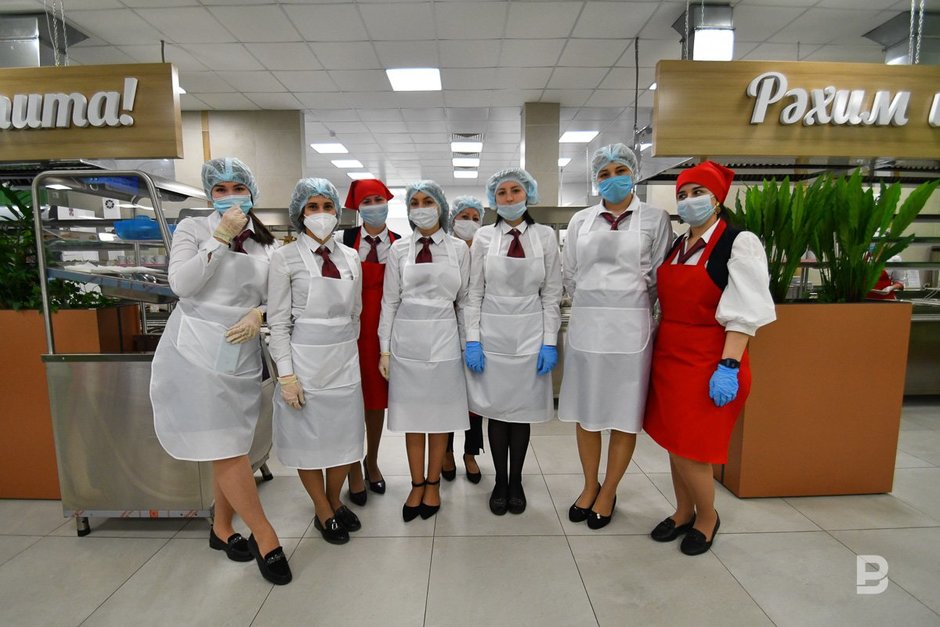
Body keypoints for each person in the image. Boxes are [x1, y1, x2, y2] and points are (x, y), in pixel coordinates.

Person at [151, 157, 291, 585]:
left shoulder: (267, 244)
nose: (230, 196)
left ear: (252, 192)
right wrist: (219, 237)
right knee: (225, 446)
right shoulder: (193, 229)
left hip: (239, 351)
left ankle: (222, 528)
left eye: (238, 188)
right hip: (196, 349)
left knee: (233, 444)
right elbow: (182, 285)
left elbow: (275, 298)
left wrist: (257, 314)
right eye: (221, 189)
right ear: (210, 194)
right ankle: (265, 536)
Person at [645, 161, 776, 556]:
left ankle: (707, 517)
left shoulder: (739, 242)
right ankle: (682, 511)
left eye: (697, 193)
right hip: (669, 359)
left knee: (693, 450)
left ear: (717, 199)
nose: (689, 201)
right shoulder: (678, 246)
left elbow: (744, 310)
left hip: (710, 360)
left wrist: (728, 366)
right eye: (682, 194)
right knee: (674, 444)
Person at [559, 143, 673, 530]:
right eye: (604, 174)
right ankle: (589, 485)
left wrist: (628, 305)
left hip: (631, 331)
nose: (612, 179)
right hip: (588, 327)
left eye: (620, 171)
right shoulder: (581, 221)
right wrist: (597, 302)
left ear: (634, 173)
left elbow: (658, 277)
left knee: (624, 415)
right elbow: (571, 274)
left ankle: (609, 490)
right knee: (587, 413)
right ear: (596, 180)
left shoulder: (655, 219)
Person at [267, 178, 364, 545]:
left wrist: (345, 347)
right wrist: (286, 376)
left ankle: (334, 499)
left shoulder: (350, 256)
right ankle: (323, 510)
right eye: (313, 207)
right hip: (304, 362)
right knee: (307, 441)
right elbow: (278, 322)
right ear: (300, 213)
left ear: (337, 212)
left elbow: (355, 312)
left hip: (344, 360)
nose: (321, 213)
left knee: (345, 438)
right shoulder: (285, 257)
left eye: (327, 206)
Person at [464, 172, 562, 515]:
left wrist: (549, 342)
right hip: (492, 335)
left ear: (527, 194)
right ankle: (500, 481)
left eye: (515, 191)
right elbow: (474, 293)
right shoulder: (483, 237)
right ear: (494, 199)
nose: (508, 198)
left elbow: (552, 293)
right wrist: (472, 341)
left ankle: (516, 480)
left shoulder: (545, 236)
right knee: (497, 412)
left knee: (521, 414)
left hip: (531, 334)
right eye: (502, 193)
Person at [378, 180, 471, 521]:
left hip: (445, 340)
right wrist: (384, 350)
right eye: (414, 202)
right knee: (413, 420)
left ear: (441, 206)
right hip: (407, 342)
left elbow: (465, 302)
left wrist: (469, 345)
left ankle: (433, 484)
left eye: (427, 201)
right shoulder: (399, 249)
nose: (421, 208)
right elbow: (389, 302)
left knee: (440, 418)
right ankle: (416, 484)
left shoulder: (459, 249)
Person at [340, 179, 400, 505]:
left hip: (385, 332)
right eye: (367, 201)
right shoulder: (343, 241)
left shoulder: (400, 244)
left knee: (375, 401)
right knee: (350, 399)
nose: (374, 206)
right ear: (357, 208)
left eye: (379, 199)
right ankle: (352, 467)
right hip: (350, 330)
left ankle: (371, 461)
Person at [442, 195, 486, 484]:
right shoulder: (445, 250)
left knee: (475, 401)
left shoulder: (485, 249)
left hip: (480, 333)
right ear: (452, 220)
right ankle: (445, 452)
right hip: (446, 331)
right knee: (446, 397)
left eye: (475, 218)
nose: (469, 222)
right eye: (464, 217)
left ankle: (470, 453)